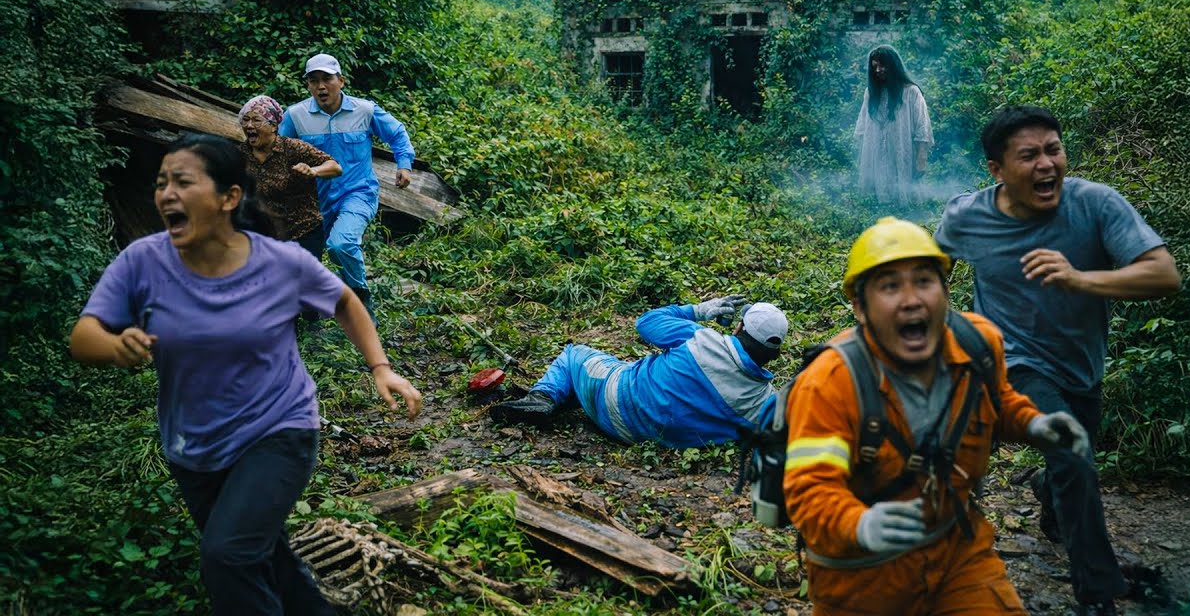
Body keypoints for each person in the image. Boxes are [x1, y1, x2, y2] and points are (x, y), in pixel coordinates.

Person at [68, 134, 422, 615]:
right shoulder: (144, 261)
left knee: (227, 557)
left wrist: (381, 368)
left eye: (183, 182)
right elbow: (83, 335)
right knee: (261, 552)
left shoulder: (280, 262)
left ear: (229, 197)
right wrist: (113, 345)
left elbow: (345, 302)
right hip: (192, 446)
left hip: (278, 431)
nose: (166, 194)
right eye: (161, 183)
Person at [934, 106, 1182, 616]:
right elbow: (930, 272)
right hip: (1012, 362)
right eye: (1029, 155)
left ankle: (1051, 497)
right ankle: (1097, 591)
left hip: (1081, 364)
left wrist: (1079, 279)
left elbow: (1163, 275)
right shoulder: (967, 216)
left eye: (1054, 149)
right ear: (997, 170)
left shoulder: (1095, 204)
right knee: (1072, 446)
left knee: (1070, 460)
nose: (1047, 164)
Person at [783, 217, 1091, 616]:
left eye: (924, 281)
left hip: (957, 553)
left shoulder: (978, 344)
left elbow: (997, 401)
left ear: (946, 292)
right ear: (860, 307)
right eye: (890, 286)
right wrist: (859, 524)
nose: (912, 299)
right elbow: (810, 489)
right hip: (861, 578)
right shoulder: (828, 383)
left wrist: (1034, 423)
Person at [490, 296, 788, 449]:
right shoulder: (763, 403)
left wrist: (700, 309)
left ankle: (541, 398)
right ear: (775, 354)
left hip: (619, 404)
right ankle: (569, 398)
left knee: (575, 354)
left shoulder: (700, 339)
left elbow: (646, 323)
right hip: (657, 439)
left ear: (738, 327)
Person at [278, 53, 417, 317]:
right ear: (307, 85)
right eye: (314, 80)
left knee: (341, 243)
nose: (321, 86)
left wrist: (404, 164)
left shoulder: (364, 110)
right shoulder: (296, 116)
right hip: (314, 201)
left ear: (340, 81)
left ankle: (361, 301)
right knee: (311, 259)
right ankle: (313, 321)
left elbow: (397, 133)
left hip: (358, 192)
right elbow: (279, 152)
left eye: (327, 79)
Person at [237, 94, 341, 262]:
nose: (249, 125)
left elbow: (334, 167)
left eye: (256, 120)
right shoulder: (240, 154)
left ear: (273, 126)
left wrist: (313, 171)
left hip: (302, 232)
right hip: (263, 235)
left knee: (304, 285)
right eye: (245, 120)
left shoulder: (293, 148)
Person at [854, 45, 933, 204]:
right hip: (876, 155)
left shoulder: (911, 92)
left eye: (882, 65)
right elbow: (862, 128)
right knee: (875, 202)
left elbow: (922, 128)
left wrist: (921, 158)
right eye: (875, 66)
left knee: (905, 200)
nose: (878, 70)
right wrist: (861, 159)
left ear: (893, 65)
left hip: (901, 152)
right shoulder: (871, 93)